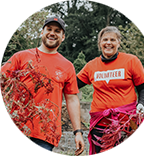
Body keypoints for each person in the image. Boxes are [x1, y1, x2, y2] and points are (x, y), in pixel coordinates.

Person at [1, 16, 84, 156]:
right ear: (42, 32)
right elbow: (1, 81)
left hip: (46, 134)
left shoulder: (67, 66)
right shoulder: (21, 57)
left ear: (63, 37)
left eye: (57, 31)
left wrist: (78, 132)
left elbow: (72, 99)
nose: (52, 33)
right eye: (49, 29)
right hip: (17, 129)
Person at [77, 26, 144, 156]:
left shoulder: (131, 61)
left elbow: (143, 88)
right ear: (100, 43)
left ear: (118, 43)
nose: (108, 43)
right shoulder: (91, 66)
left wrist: (141, 104)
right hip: (100, 126)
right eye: (105, 39)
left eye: (112, 39)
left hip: (127, 126)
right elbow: (73, 85)